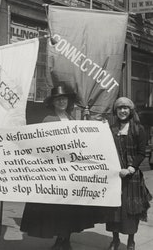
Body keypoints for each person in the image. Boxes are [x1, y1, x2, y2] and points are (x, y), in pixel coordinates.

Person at [20, 85, 98, 250]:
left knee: (69, 208)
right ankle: (59, 239)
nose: (62, 101)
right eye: (58, 99)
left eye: (64, 99)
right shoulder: (48, 120)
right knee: (56, 208)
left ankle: (66, 239)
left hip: (71, 172)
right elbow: (42, 145)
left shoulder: (72, 119)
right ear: (53, 102)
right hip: (55, 171)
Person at [106, 97, 152, 250]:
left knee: (131, 210)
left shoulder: (138, 129)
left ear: (131, 110)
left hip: (131, 176)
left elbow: (141, 153)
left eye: (125, 108)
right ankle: (115, 239)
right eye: (119, 108)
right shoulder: (110, 129)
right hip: (115, 176)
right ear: (116, 111)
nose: (122, 111)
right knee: (114, 210)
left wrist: (131, 168)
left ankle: (131, 241)